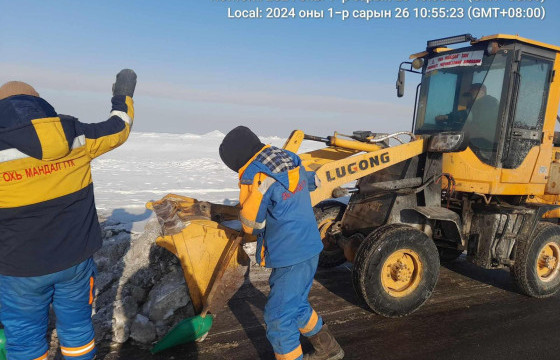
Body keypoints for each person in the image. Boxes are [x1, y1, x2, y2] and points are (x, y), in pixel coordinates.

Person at [0, 69, 136, 360]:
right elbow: (119, 127)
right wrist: (122, 95)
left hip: (18, 269)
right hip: (74, 262)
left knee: (24, 339)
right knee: (77, 329)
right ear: (40, 104)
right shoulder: (75, 134)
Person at [219, 126, 344, 360]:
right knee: (295, 304)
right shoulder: (289, 160)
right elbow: (311, 181)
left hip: (290, 254)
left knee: (278, 318)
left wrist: (244, 211)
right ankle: (329, 348)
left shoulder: (256, 176)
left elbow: (251, 224)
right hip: (310, 247)